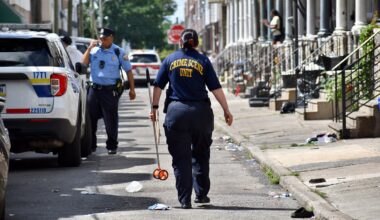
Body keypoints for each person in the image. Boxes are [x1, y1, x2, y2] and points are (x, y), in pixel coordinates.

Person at [149, 29, 233, 209]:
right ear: (196, 43)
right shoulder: (203, 61)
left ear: (181, 42)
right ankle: (201, 195)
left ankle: (184, 199)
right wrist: (226, 109)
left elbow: (158, 86)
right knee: (201, 154)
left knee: (181, 158)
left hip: (176, 113)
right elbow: (215, 88)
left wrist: (154, 108)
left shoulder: (170, 60)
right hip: (201, 114)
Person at [82, 28, 136, 155]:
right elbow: (83, 64)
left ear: (112, 38)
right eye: (101, 38)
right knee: (91, 118)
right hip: (94, 90)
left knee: (110, 120)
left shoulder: (119, 52)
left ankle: (112, 145)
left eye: (105, 38)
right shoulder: (94, 50)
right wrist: (89, 48)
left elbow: (128, 71)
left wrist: (132, 89)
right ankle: (91, 145)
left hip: (110, 91)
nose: (102, 40)